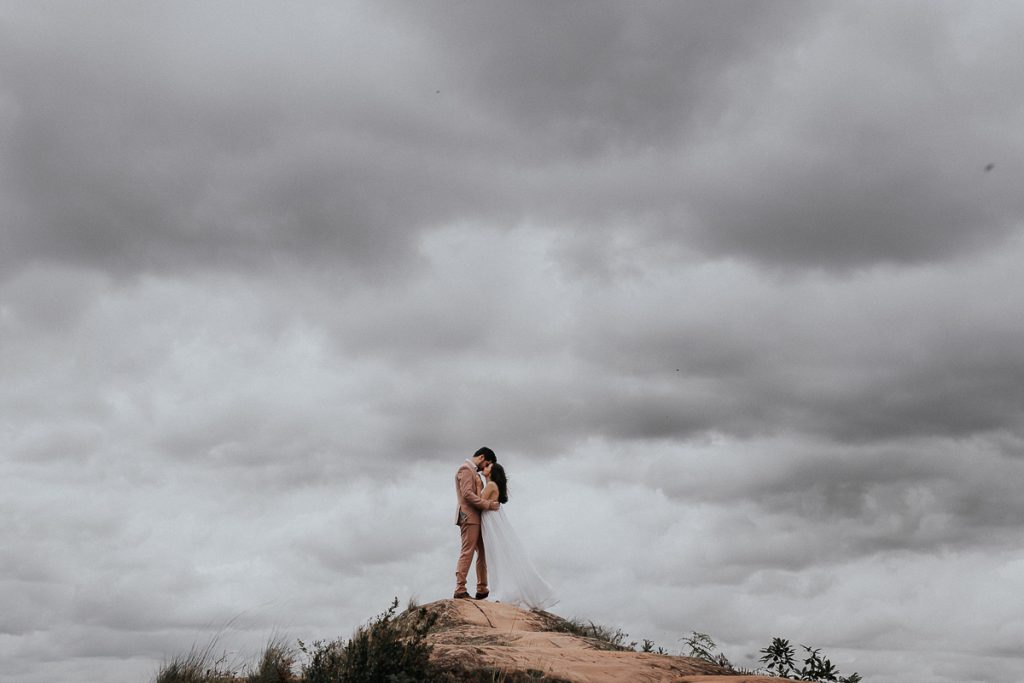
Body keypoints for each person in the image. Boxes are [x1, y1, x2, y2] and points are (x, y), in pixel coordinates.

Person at [480, 460, 557, 610]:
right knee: (498, 554)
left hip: (491, 521)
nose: (485, 467)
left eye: (488, 466)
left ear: (493, 471)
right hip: (494, 519)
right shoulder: (493, 485)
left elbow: (478, 501)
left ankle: (501, 589)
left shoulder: (490, 486)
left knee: (495, 554)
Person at [454, 447, 500, 599]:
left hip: (478, 517)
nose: (485, 467)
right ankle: (460, 588)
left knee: (483, 552)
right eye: (487, 463)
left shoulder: (474, 472)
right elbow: (467, 494)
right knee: (467, 551)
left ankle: (482, 588)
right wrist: (488, 505)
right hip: (469, 516)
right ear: (481, 457)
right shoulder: (465, 469)